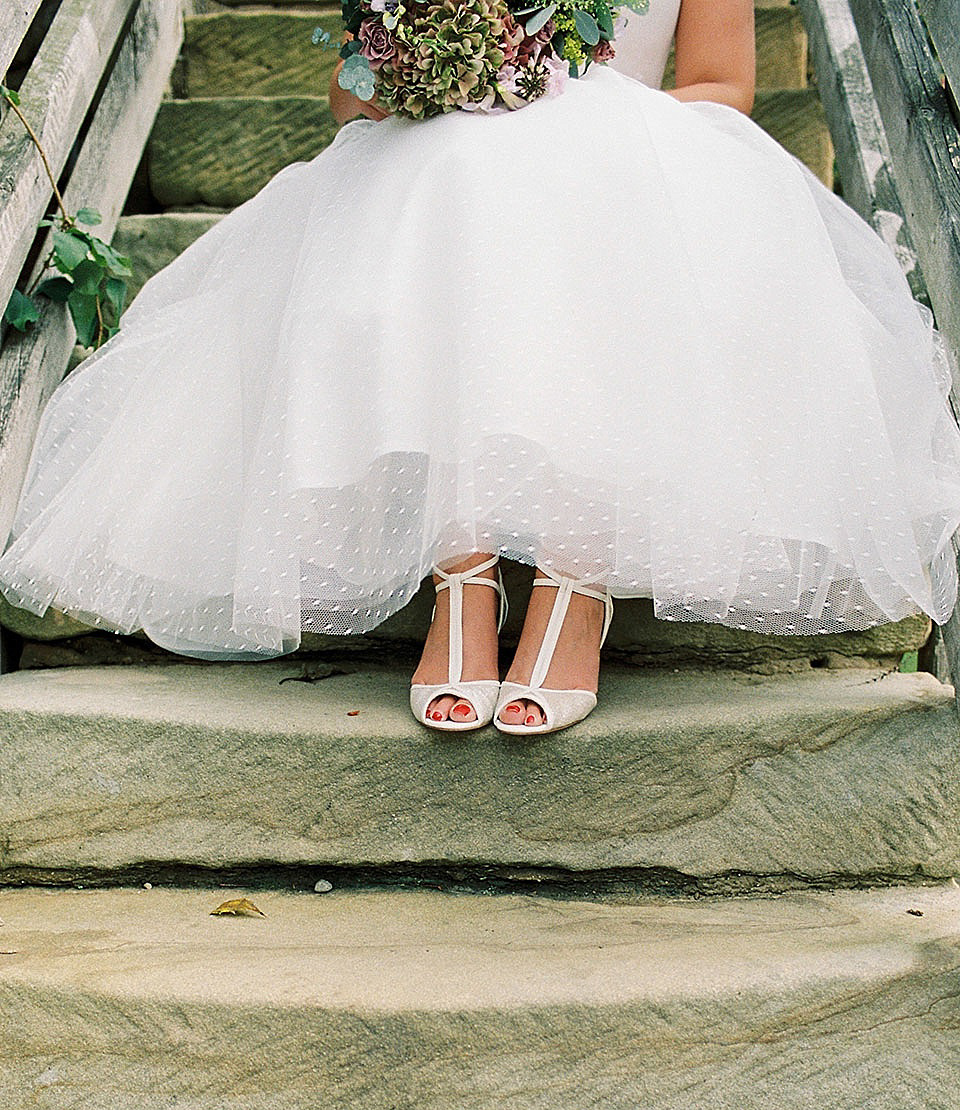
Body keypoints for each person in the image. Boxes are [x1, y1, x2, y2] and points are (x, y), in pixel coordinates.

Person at [1, 0, 959, 735]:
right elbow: (347, 101)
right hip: (453, 162)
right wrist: (426, 66)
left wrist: (564, 116)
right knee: (455, 158)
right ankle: (462, 572)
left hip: (637, 164)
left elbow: (722, 87)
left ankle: (573, 581)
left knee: (582, 164)